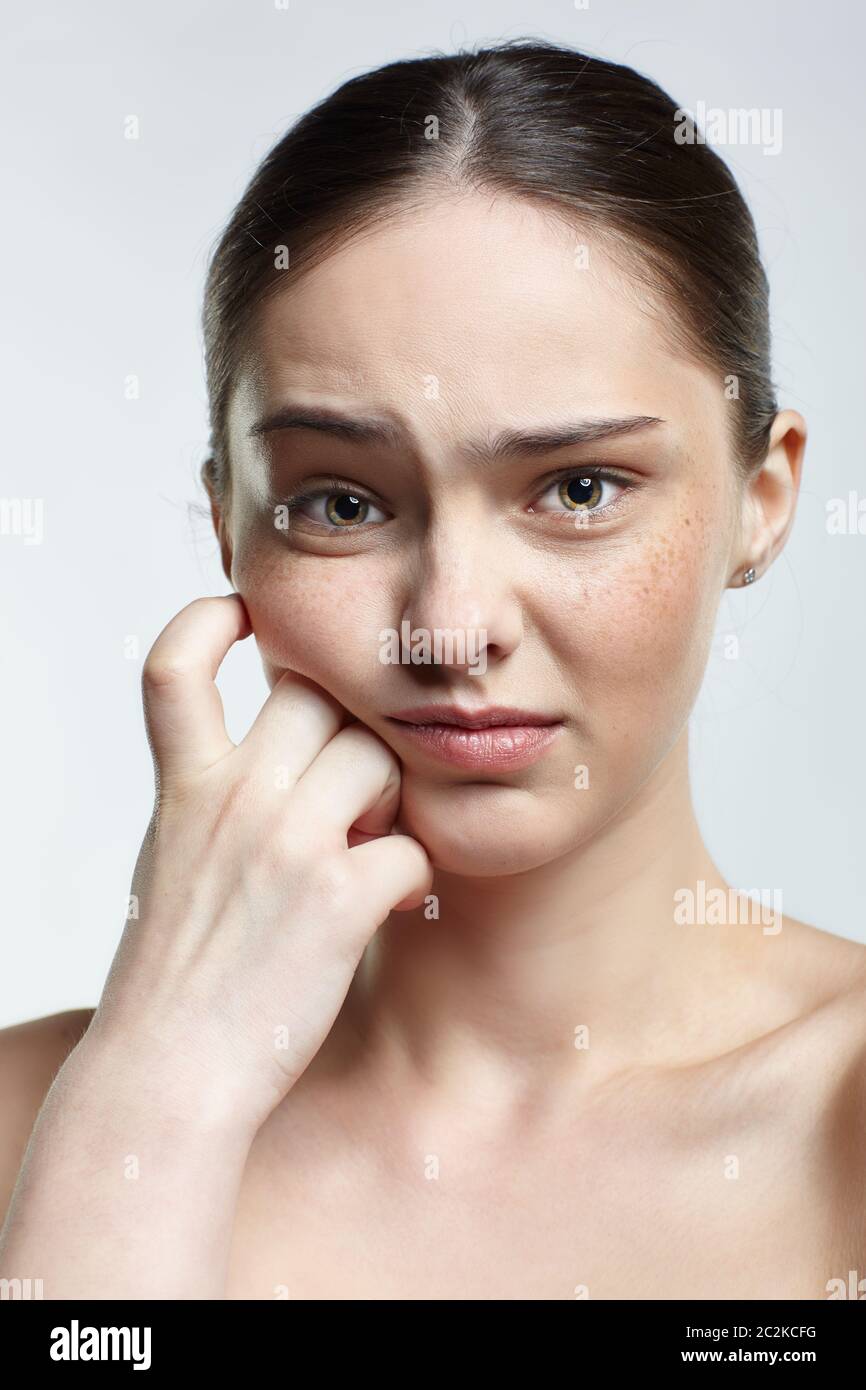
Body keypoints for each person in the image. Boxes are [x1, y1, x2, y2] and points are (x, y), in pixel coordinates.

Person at [2, 38, 864, 1301]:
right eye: (343, 503)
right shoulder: (44, 1119)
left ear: (762, 497)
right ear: (229, 523)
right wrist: (158, 1098)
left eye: (576, 489)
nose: (449, 630)